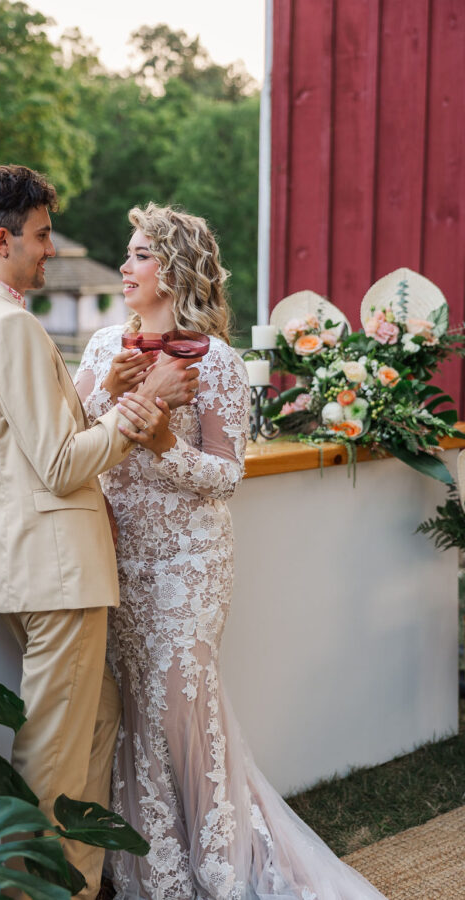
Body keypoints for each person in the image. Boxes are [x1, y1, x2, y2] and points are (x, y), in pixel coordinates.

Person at [75, 203, 388, 900]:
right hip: (119, 557)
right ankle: (155, 876)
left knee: (181, 708)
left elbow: (225, 477)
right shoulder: (100, 348)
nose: (124, 268)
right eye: (127, 255)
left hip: (189, 565)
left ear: (175, 269)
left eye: (139, 256)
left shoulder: (216, 360)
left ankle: (223, 870)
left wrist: (163, 445)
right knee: (137, 715)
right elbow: (70, 441)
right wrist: (109, 393)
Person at [0, 167, 197, 900]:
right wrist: (146, 401)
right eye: (43, 236)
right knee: (53, 755)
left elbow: (20, 445)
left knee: (97, 717)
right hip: (53, 569)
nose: (51, 249)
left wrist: (103, 395)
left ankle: (79, 886)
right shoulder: (13, 326)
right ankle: (30, 892)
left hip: (14, 563)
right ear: (1, 238)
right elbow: (56, 466)